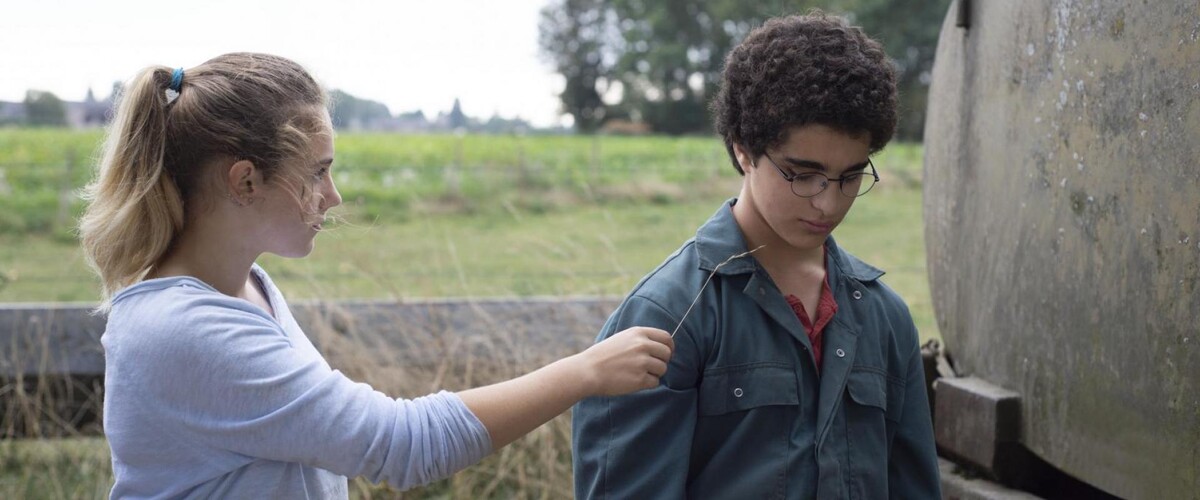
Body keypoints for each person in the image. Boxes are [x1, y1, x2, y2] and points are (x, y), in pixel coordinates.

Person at [78, 52, 673, 499]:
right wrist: (584, 372)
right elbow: (401, 445)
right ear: (245, 181)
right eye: (317, 172)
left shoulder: (245, 287)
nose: (332, 196)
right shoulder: (184, 330)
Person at [571, 12, 941, 499]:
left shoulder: (886, 318)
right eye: (802, 174)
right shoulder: (669, 317)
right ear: (744, 150)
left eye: (850, 176)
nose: (828, 202)